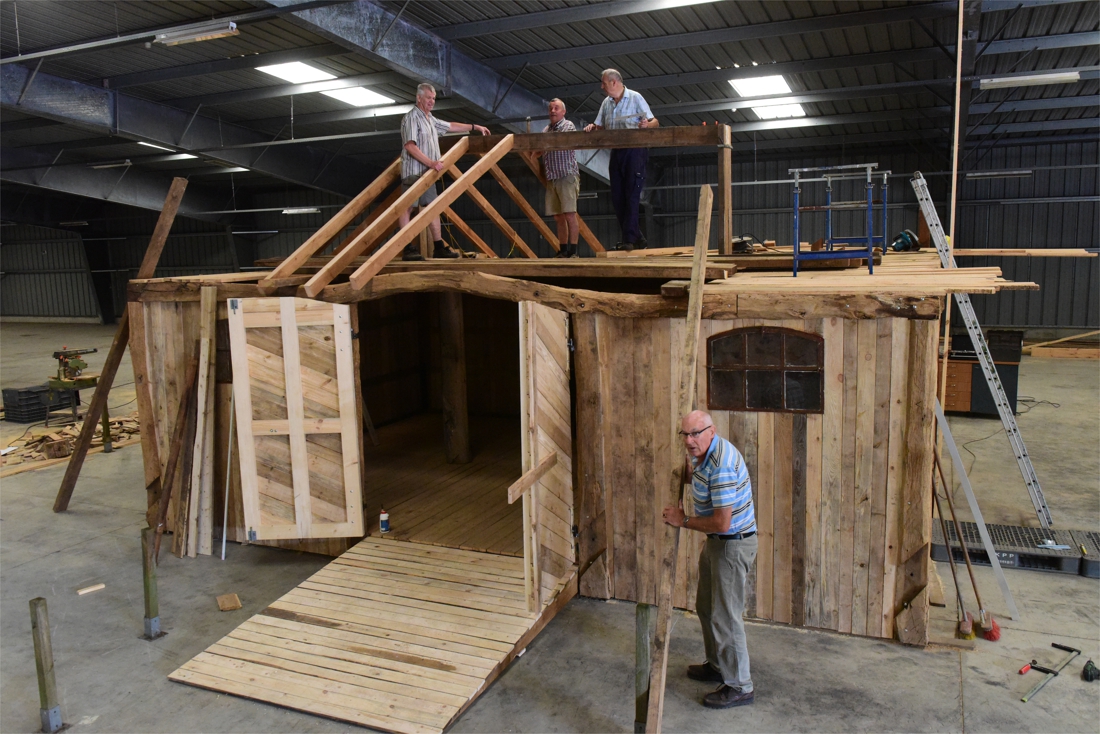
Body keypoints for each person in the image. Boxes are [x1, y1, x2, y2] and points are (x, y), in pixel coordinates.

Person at [661, 410, 757, 709]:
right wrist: (685, 476)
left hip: (731, 544)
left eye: (696, 433)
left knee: (726, 617)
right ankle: (717, 665)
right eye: (685, 434)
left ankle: (739, 686)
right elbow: (699, 474)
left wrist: (683, 519)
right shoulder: (703, 456)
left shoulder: (722, 465)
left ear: (711, 431)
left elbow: (721, 523)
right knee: (706, 607)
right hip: (717, 544)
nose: (690, 441)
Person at [399, 83, 490, 261]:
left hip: (428, 173)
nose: (431, 101)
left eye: (433, 98)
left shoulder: (430, 119)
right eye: (428, 98)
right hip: (414, 171)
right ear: (419, 98)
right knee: (407, 207)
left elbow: (450, 126)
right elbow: (410, 146)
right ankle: (407, 247)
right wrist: (431, 162)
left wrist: (474, 127)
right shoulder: (411, 118)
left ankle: (438, 246)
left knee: (433, 208)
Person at [583, 69, 658, 251]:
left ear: (614, 83)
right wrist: (593, 127)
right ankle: (636, 237)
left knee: (631, 194)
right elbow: (601, 126)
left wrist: (647, 125)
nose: (602, 86)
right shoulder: (606, 103)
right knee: (618, 196)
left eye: (604, 83)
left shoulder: (635, 97)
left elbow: (655, 121)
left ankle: (629, 239)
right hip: (616, 151)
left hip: (635, 151)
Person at [533, 98, 580, 258]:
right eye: (551, 108)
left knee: (569, 214)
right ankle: (563, 249)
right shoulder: (546, 130)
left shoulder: (568, 126)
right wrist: (535, 152)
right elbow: (541, 149)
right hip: (552, 177)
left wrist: (543, 146)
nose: (553, 111)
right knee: (558, 216)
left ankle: (573, 251)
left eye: (556, 108)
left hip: (566, 174)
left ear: (563, 112)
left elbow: (562, 143)